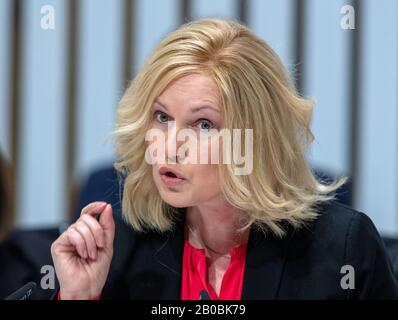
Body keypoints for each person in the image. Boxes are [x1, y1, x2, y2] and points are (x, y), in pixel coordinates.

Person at [51, 18, 398, 300]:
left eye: (203, 124)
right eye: (161, 117)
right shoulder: (120, 245)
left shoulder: (343, 249)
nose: (170, 147)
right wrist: (78, 296)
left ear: (256, 137)